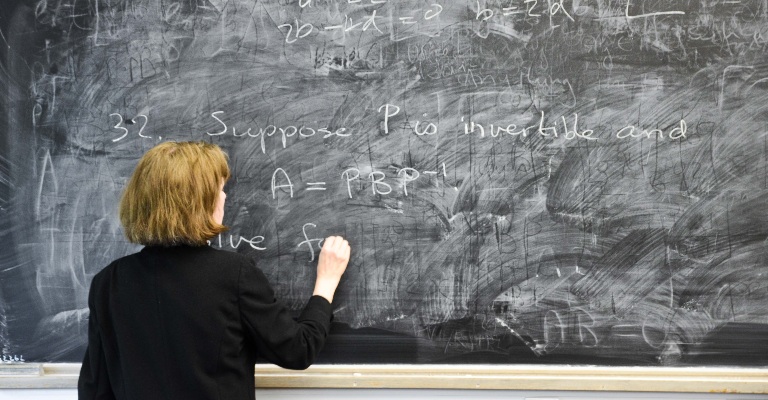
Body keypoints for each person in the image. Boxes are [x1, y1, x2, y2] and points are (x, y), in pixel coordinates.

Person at [78, 141, 350, 400]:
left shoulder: (108, 283)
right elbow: (297, 350)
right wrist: (326, 282)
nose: (224, 196)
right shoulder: (233, 275)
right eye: (218, 189)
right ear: (197, 202)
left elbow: (95, 389)